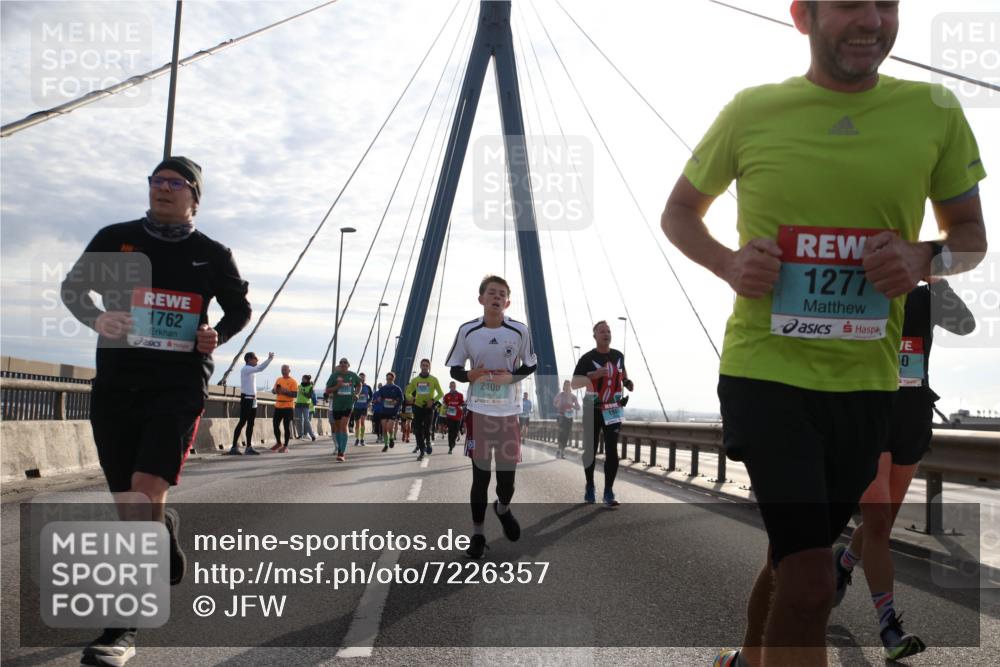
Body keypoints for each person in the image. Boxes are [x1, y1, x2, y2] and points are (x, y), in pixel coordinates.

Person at [660, 3, 987, 665]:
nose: (871, 19)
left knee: (792, 560)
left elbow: (972, 239)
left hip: (866, 388)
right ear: (802, 15)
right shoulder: (752, 110)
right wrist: (726, 262)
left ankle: (750, 657)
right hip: (766, 375)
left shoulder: (935, 112)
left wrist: (925, 257)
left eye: (887, 3)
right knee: (812, 583)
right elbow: (679, 213)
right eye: (848, 3)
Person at [61, 156, 251, 666]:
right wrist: (99, 318)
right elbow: (73, 291)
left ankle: (120, 629)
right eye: (157, 181)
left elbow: (239, 309)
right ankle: (161, 532)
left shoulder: (211, 254)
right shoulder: (114, 237)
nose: (163, 189)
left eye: (175, 183)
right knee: (131, 503)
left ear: (194, 197)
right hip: (118, 385)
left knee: (143, 493)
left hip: (178, 386)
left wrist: (219, 335)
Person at [833, 280, 975, 660]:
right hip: (867, 414)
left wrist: (940, 283)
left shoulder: (925, 295)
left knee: (883, 522)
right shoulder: (855, 287)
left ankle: (843, 562)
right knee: (877, 523)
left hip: (911, 416)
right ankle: (889, 628)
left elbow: (965, 325)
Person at [445, 275, 537, 559]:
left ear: (507, 302)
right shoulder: (468, 331)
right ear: (481, 299)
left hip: (509, 413)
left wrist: (511, 377)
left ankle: (503, 508)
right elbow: (455, 369)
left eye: (502, 294)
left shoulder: (519, 331)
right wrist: (470, 375)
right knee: (480, 477)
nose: (496, 297)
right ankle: (478, 534)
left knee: (507, 479)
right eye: (491, 293)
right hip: (480, 412)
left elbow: (530, 365)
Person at [573, 321, 634, 506]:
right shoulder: (586, 358)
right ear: (595, 336)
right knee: (590, 450)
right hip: (592, 408)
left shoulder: (618, 355)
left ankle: (608, 491)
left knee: (612, 450)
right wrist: (593, 375)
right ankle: (590, 485)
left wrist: (628, 382)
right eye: (602, 331)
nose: (606, 334)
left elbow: (622, 374)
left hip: (613, 408)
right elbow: (575, 383)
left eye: (608, 331)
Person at [230, 351, 273, 455]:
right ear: (249, 359)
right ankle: (234, 446)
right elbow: (260, 368)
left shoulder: (251, 370)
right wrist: (269, 359)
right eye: (255, 358)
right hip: (247, 399)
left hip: (253, 400)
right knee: (242, 422)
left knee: (251, 424)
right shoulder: (246, 369)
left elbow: (259, 367)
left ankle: (248, 447)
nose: (257, 360)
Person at [405, 359, 445, 461]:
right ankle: (422, 451)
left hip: (428, 408)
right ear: (420, 366)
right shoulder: (415, 380)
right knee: (417, 430)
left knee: (427, 428)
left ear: (429, 367)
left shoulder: (434, 380)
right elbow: (407, 393)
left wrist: (433, 400)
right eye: (423, 365)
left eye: (427, 365)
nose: (425, 367)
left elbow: (441, 393)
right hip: (418, 407)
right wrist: (411, 398)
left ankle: (428, 442)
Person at [325, 357, 361, 461]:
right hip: (337, 405)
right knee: (337, 428)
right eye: (341, 362)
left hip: (348, 404)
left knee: (344, 425)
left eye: (345, 362)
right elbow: (327, 390)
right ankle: (339, 447)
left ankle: (341, 452)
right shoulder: (334, 376)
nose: (343, 364)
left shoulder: (352, 375)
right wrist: (337, 386)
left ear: (348, 365)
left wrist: (357, 394)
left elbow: (359, 384)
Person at [374, 372, 404, 452]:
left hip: (393, 411)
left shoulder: (397, 388)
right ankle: (386, 445)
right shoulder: (383, 388)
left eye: (390, 379)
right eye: (387, 378)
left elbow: (401, 399)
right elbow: (379, 397)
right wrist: (379, 399)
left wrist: (395, 402)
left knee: (389, 428)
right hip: (384, 411)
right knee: (384, 429)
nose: (389, 380)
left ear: (393, 379)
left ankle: (391, 438)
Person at [271, 365, 297, 452]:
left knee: (286, 426)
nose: (283, 371)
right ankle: (278, 443)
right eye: (282, 369)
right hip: (278, 406)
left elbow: (294, 395)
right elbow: (273, 390)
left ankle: (285, 446)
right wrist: (275, 391)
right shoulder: (279, 379)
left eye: (285, 370)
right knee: (275, 425)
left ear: (289, 370)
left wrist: (286, 392)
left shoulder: (293, 381)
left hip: (288, 406)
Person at [553, 379, 580, 459]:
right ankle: (559, 450)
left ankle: (562, 451)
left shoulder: (573, 396)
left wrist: (572, 405)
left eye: (569, 385)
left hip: (569, 417)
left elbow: (578, 407)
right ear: (564, 386)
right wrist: (558, 405)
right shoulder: (560, 395)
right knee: (561, 433)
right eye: (566, 385)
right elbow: (554, 402)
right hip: (561, 416)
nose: (567, 386)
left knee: (566, 434)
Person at [442, 381, 466, 454]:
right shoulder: (446, 395)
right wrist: (445, 406)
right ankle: (450, 446)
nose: (452, 387)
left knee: (455, 431)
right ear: (449, 387)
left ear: (455, 387)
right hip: (449, 416)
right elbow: (444, 403)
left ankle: (453, 442)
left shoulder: (460, 395)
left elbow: (462, 403)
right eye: (451, 386)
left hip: (458, 416)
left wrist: (461, 406)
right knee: (450, 431)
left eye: (453, 386)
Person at [294, 374, 318, 442]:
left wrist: (303, 392)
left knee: (306, 420)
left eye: (303, 378)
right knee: (299, 420)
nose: (302, 379)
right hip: (298, 404)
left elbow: (309, 396)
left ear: (307, 380)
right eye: (302, 378)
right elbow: (296, 394)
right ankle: (300, 435)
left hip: (306, 405)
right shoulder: (299, 386)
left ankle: (312, 435)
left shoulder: (310, 386)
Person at [351, 372, 373, 445]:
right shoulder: (355, 386)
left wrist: (368, 402)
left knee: (362, 422)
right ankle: (357, 438)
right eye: (360, 377)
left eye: (363, 377)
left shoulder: (368, 387)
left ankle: (362, 439)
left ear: (365, 378)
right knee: (357, 424)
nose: (361, 378)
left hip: (364, 407)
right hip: (357, 407)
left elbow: (371, 396)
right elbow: (351, 393)